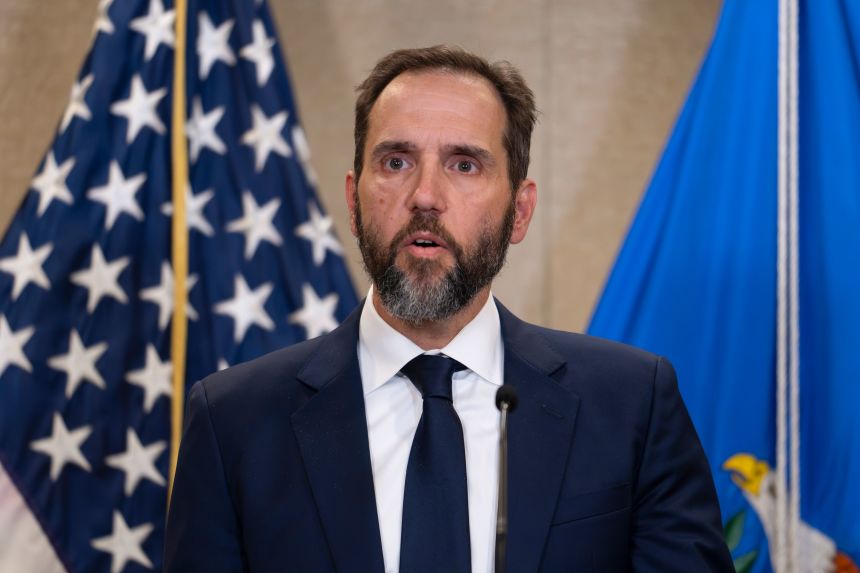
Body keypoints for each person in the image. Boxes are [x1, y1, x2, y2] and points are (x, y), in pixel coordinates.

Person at [164, 45, 734, 572]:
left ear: (519, 212)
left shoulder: (632, 405)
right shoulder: (233, 422)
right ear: (354, 201)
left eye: (464, 164)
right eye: (396, 162)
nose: (425, 196)